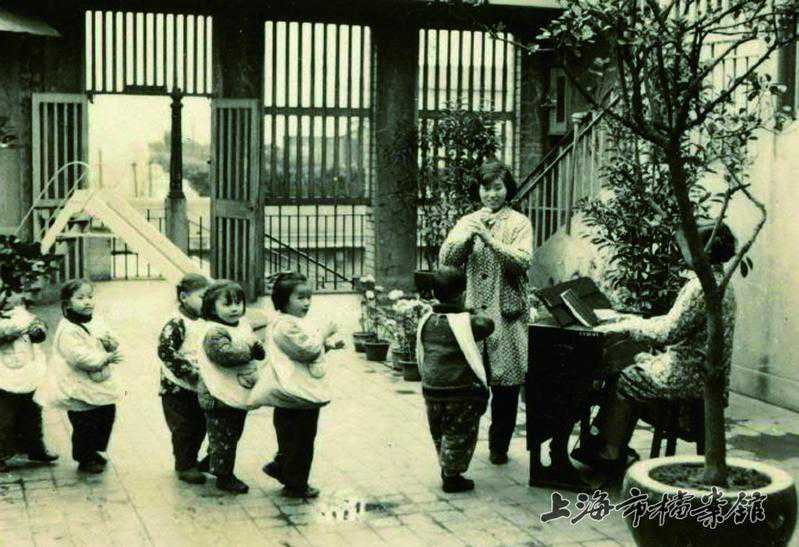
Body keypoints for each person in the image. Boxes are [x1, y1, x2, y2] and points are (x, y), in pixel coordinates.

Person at [575, 223, 738, 473]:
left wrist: (628, 327)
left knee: (626, 377)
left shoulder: (699, 287)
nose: (681, 251)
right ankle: (613, 445)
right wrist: (634, 320)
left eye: (686, 246)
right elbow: (677, 322)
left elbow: (668, 333)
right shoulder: (721, 282)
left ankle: (610, 450)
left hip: (687, 375)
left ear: (702, 251)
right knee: (638, 362)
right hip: (701, 372)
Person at [439, 159, 533, 465]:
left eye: (497, 188)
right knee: (472, 384)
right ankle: (461, 448)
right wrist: (466, 237)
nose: (491, 194)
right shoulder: (468, 220)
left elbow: (522, 261)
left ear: (508, 189)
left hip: (506, 314)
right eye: (486, 188)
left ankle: (498, 448)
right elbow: (447, 261)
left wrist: (490, 240)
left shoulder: (519, 222)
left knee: (507, 386)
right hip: (474, 312)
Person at [256, 272, 343, 499]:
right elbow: (307, 350)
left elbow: (305, 349)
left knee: (291, 436)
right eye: (301, 298)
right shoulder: (284, 326)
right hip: (297, 392)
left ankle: (282, 467)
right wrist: (325, 333)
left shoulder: (291, 322)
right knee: (301, 439)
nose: (307, 303)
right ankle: (296, 484)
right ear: (284, 300)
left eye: (309, 297)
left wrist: (328, 346)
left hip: (293, 391)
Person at [417, 267, 495, 493]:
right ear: (462, 295)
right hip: (458, 390)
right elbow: (488, 324)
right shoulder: (465, 322)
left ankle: (446, 465)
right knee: (458, 432)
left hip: (431, 389)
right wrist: (473, 310)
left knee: (439, 430)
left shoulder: (428, 319)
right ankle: (451, 476)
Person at [35, 279, 123, 474]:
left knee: (106, 413)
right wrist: (104, 358)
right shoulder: (68, 329)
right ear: (67, 303)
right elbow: (78, 357)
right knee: (85, 421)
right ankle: (84, 457)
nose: (87, 301)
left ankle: (94, 449)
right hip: (78, 384)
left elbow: (110, 336)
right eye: (80, 298)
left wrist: (110, 343)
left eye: (90, 297)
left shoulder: (96, 320)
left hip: (98, 381)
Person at [196, 280, 264, 494]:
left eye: (238, 302)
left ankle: (211, 461)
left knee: (228, 434)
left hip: (234, 391)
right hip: (217, 396)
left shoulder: (241, 324)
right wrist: (251, 351)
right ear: (211, 307)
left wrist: (258, 348)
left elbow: (252, 340)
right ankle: (224, 476)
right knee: (224, 436)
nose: (234, 308)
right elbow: (224, 355)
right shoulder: (214, 332)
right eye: (227, 304)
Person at [157, 273, 211, 485]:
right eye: (202, 297)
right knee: (184, 427)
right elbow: (165, 351)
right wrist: (188, 371)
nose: (206, 302)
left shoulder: (204, 321)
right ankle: (184, 464)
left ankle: (193, 460)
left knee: (200, 424)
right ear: (184, 297)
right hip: (177, 387)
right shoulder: (176, 323)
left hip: (198, 385)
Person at [0, 289, 58, 473]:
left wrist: (37, 331)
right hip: (3, 376)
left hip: (27, 372)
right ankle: (2, 454)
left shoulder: (20, 313)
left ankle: (35, 448)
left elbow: (37, 327)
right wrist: (9, 331)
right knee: (4, 417)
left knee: (32, 411)